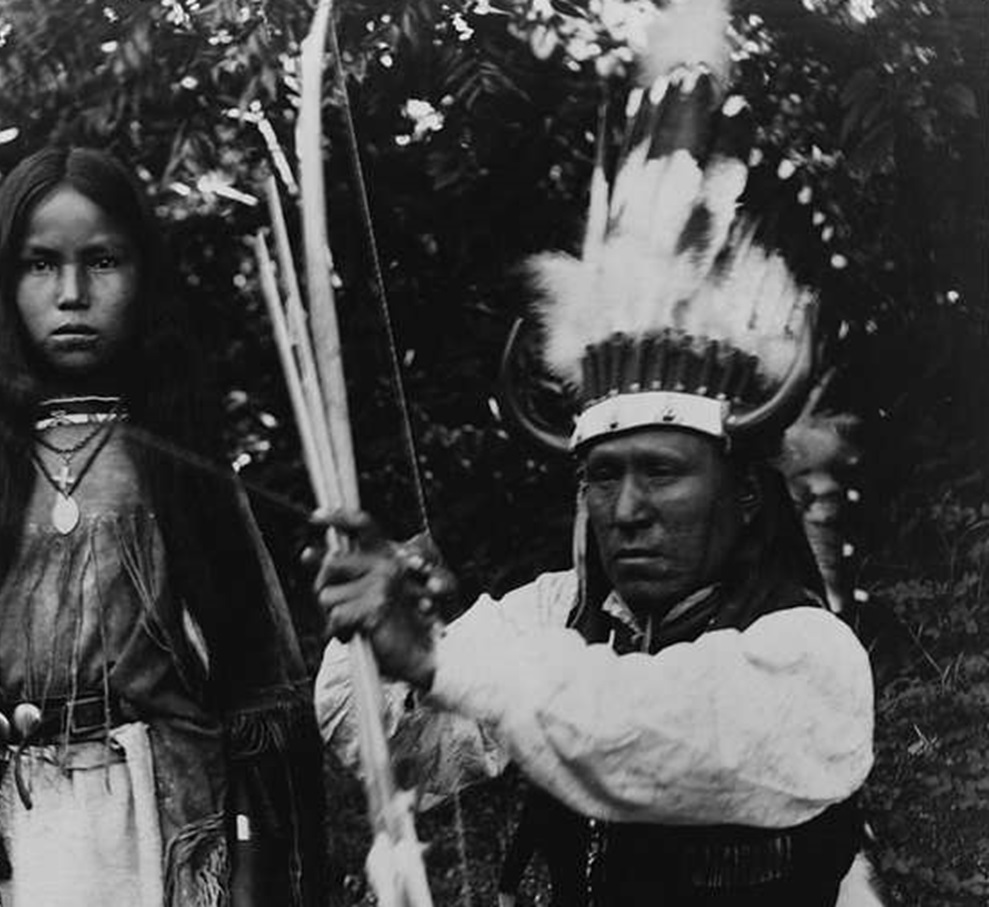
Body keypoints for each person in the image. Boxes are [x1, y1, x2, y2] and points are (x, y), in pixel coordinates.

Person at [313, 1, 877, 904]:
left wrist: (444, 662)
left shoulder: (810, 655)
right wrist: (386, 631)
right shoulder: (556, 616)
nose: (625, 510)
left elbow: (647, 731)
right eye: (601, 475)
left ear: (742, 493)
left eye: (661, 471)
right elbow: (383, 744)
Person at [0, 146, 323, 907]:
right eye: (40, 264)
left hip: (163, 829)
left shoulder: (179, 461)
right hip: (5, 841)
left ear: (143, 276)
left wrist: (252, 857)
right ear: (2, 284)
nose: (72, 294)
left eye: (102, 261)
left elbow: (259, 685)